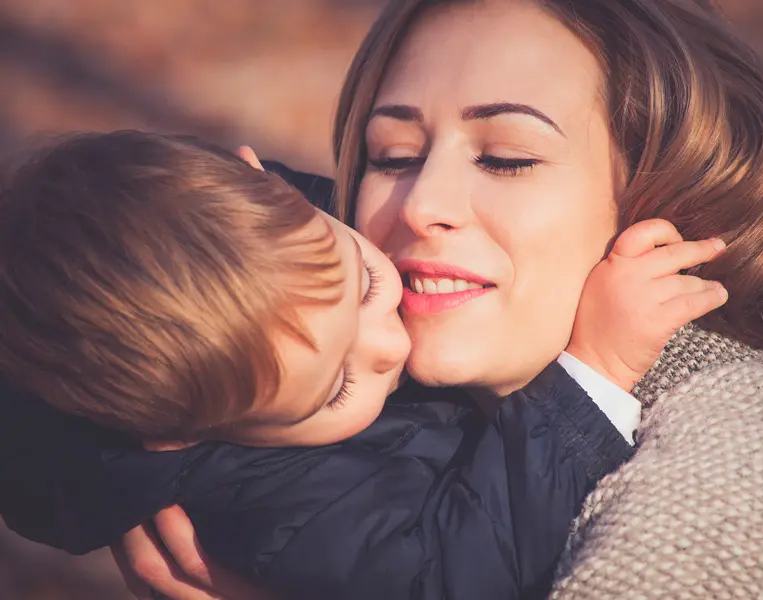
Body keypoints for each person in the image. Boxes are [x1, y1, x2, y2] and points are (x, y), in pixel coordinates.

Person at [107, 0, 763, 598]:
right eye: (395, 154)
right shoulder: (344, 338)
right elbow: (87, 287)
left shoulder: (748, 486)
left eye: (509, 158)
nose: (420, 206)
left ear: (666, 210)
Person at [0, 131, 726, 599]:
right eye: (336, 389)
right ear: (179, 437)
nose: (392, 347)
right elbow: (465, 575)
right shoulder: (281, 507)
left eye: (369, 286)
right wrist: (594, 367)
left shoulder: (264, 236)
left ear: (267, 185)